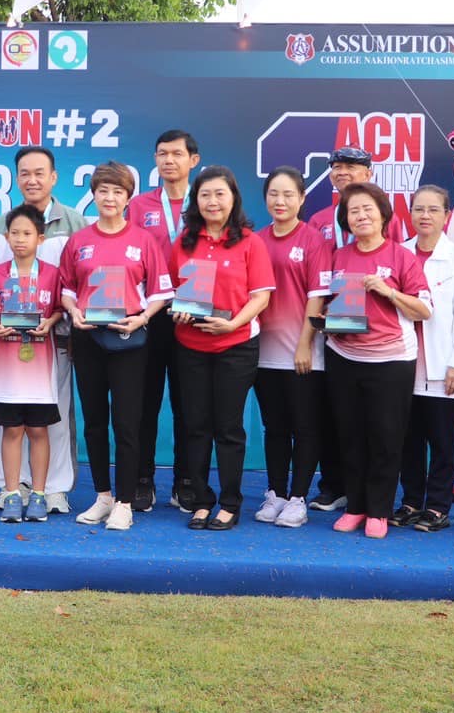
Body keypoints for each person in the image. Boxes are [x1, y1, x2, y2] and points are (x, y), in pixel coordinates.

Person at [60, 162, 175, 531]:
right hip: (88, 338)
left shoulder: (143, 240)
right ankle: (103, 496)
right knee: (94, 422)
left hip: (129, 339)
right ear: (93, 195)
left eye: (117, 192)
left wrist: (143, 318)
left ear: (128, 198)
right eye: (103, 191)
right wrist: (73, 311)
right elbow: (67, 289)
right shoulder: (79, 240)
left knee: (127, 423)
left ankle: (125, 502)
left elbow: (161, 292)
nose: (109, 198)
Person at [319, 182, 432, 538]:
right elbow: (327, 302)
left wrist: (389, 291)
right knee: (350, 434)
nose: (361, 216)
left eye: (368, 209)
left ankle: (379, 510)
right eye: (353, 211)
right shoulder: (338, 256)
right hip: (343, 356)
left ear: (383, 215)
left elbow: (424, 309)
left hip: (391, 360)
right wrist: (328, 318)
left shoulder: (402, 256)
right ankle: (355, 506)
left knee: (385, 436)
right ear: (346, 220)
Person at [170, 166, 274, 531]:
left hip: (236, 345)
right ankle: (201, 500)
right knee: (196, 426)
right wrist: (179, 310)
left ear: (233, 199)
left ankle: (230, 503)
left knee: (228, 428)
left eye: (220, 194)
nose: (212, 201)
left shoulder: (250, 242)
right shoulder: (184, 242)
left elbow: (260, 297)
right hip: (190, 346)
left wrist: (232, 324)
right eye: (205, 195)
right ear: (195, 200)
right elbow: (173, 290)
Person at [0, 146, 87, 515]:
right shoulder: (1, 225)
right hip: (9, 343)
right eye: (25, 173)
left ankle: (54, 489)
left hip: (54, 339)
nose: (32, 180)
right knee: (10, 420)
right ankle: (12, 487)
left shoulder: (74, 223)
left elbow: (81, 283)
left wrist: (69, 329)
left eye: (39, 172)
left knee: (53, 416)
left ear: (54, 177)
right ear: (16, 178)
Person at [252, 166, 333, 529]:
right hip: (262, 352)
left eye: (288, 194)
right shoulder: (256, 240)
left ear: (301, 198)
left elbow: (317, 297)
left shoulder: (313, 240)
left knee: (305, 427)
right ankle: (276, 493)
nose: (280, 201)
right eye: (274, 194)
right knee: (275, 427)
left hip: (303, 354)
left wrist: (304, 345)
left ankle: (299, 497)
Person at [396, 185, 454, 531]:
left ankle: (438, 507)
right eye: (418, 209)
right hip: (401, 364)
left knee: (442, 441)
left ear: (447, 216)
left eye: (433, 210)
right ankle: (411, 501)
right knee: (408, 440)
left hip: (443, 364)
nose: (425, 216)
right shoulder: (398, 253)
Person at [128, 129, 200, 512]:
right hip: (150, 314)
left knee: (188, 404)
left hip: (193, 313)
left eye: (176, 153)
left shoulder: (204, 201)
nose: (168, 160)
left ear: (193, 160)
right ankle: (142, 478)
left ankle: (186, 480)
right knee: (145, 401)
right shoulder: (140, 205)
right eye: (162, 154)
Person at [0, 204, 64, 523]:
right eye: (14, 233)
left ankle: (40, 494)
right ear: (6, 237)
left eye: (27, 233)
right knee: (12, 430)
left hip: (40, 371)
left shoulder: (52, 274)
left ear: (40, 238)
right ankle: (13, 493)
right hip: (8, 371)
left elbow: (59, 308)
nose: (20, 239)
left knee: (38, 430)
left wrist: (51, 322)